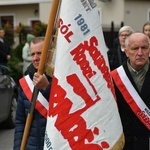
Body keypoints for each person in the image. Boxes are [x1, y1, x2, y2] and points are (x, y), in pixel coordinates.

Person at [111, 32, 150, 150]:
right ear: (126, 51)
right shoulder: (114, 78)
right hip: (125, 144)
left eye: (144, 48)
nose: (140, 53)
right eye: (134, 48)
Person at [14, 37, 52, 150]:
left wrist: (47, 88)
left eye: (39, 53)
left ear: (49, 53)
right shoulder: (25, 82)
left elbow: (66, 111)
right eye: (32, 54)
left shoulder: (61, 79)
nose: (35, 58)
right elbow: (20, 122)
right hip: (32, 146)